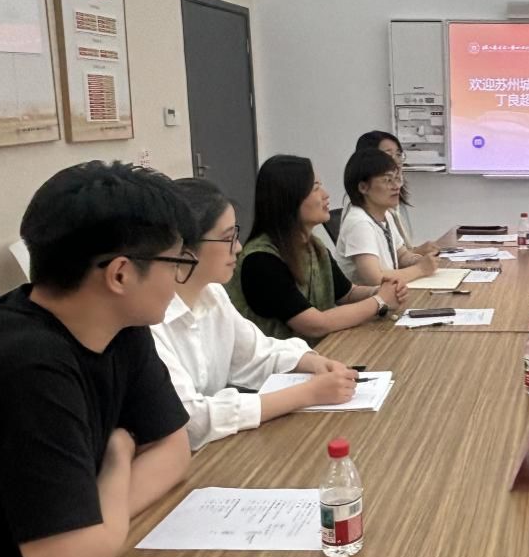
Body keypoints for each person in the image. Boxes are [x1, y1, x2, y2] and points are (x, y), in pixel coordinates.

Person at [0, 161, 193, 557]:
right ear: (120, 274)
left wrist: (97, 532)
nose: (179, 279)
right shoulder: (25, 366)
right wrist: (120, 457)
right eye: (176, 262)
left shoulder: (120, 325)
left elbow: (174, 450)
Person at [152, 178, 362, 451]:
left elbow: (258, 353)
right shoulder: (150, 320)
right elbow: (191, 419)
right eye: (227, 238)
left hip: (216, 449)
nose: (238, 247)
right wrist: (307, 393)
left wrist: (312, 362)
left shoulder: (212, 294)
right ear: (183, 249)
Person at [227, 155, 406, 346]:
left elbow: (347, 293)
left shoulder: (313, 246)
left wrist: (381, 290)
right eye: (315, 188)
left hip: (318, 352)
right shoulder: (261, 260)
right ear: (290, 198)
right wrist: (379, 301)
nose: (326, 195)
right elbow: (314, 325)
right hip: (282, 363)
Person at [335, 149, 438, 286]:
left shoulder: (385, 215)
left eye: (397, 179)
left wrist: (420, 260)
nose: (396, 187)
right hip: (369, 297)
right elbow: (374, 278)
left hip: (388, 293)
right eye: (388, 180)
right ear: (363, 187)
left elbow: (401, 256)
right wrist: (420, 269)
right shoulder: (359, 223)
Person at [354, 129, 438, 257]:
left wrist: (418, 253)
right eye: (388, 155)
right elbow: (383, 264)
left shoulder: (389, 206)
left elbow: (399, 254)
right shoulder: (361, 219)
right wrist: (419, 257)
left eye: (398, 154)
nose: (396, 161)